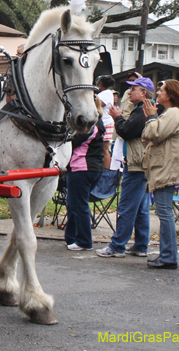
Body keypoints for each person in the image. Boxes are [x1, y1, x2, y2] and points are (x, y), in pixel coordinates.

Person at [96, 76, 154, 258]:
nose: (129, 92)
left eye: (133, 89)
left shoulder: (142, 110)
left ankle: (117, 245)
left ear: (143, 93)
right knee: (141, 207)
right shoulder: (144, 109)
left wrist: (118, 117)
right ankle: (141, 244)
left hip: (136, 164)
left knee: (127, 206)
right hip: (143, 164)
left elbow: (127, 131)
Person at [141, 79, 179, 269]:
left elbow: (154, 134)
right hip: (165, 168)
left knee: (164, 213)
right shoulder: (171, 113)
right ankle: (167, 254)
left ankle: (169, 256)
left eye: (161, 90)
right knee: (164, 212)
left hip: (166, 170)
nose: (158, 93)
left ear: (170, 95)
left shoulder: (173, 113)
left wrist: (152, 117)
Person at [65, 107, 105, 251]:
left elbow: (71, 142)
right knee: (73, 203)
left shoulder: (89, 126)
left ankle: (84, 241)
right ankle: (71, 237)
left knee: (78, 205)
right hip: (91, 168)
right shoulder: (98, 124)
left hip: (82, 167)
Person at [96, 75, 115, 169]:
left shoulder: (106, 93)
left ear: (101, 83)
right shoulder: (103, 93)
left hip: (106, 123)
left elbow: (99, 104)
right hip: (101, 123)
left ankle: (106, 170)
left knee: (105, 149)